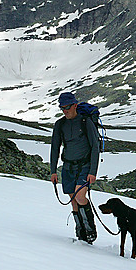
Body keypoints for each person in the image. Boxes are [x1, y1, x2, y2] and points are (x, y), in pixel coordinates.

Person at [50, 92, 100, 243]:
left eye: (67, 107)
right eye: (62, 108)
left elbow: (95, 147)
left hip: (84, 165)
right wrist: (53, 170)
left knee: (80, 196)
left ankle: (90, 228)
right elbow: (55, 148)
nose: (65, 111)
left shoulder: (86, 122)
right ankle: (80, 231)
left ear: (75, 105)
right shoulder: (60, 124)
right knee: (73, 200)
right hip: (68, 167)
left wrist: (93, 171)